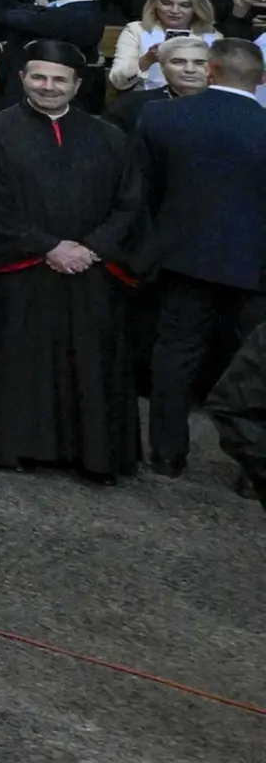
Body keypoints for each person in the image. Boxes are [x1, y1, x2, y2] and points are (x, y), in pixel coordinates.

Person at [0, 51, 149, 480]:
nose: (48, 86)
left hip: (92, 269)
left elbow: (130, 203)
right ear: (22, 78)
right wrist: (49, 246)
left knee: (92, 360)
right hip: (20, 268)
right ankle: (15, 447)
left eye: (59, 79)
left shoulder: (110, 136)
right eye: (38, 77)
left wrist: (91, 248)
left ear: (77, 85)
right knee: (21, 361)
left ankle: (93, 456)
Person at [131, 36, 266, 478]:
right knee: (255, 367)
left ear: (209, 70)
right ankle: (253, 471)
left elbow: (143, 192)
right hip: (256, 265)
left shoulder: (161, 116)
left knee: (175, 354)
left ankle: (168, 454)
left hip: (183, 256)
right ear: (261, 79)